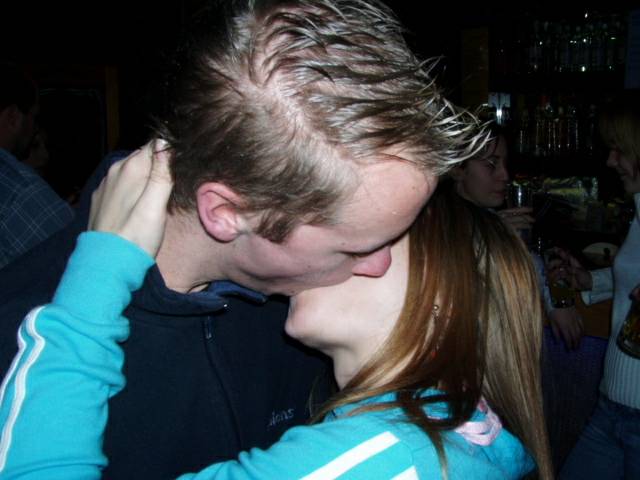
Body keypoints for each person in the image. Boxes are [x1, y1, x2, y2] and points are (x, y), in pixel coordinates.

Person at [0, 1, 488, 478]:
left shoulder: (316, 313)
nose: (382, 266)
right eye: (355, 247)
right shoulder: (25, 352)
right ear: (227, 215)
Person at [0, 143, 553, 479]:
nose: (350, 256)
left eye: (376, 241)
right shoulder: (458, 433)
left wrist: (101, 266)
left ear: (440, 306)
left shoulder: (393, 459)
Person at [557, 92, 640, 479]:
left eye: (619, 149)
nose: (610, 160)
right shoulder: (639, 210)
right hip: (611, 405)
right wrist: (590, 281)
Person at [448, 124, 584, 350]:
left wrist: (558, 300)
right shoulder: (436, 222)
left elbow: (533, 260)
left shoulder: (492, 218)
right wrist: (492, 239)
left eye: (505, 163)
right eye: (491, 164)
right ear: (457, 169)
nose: (505, 175)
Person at [0, 62, 74, 268]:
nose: (33, 129)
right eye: (33, 117)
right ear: (13, 117)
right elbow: (76, 266)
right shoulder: (19, 189)